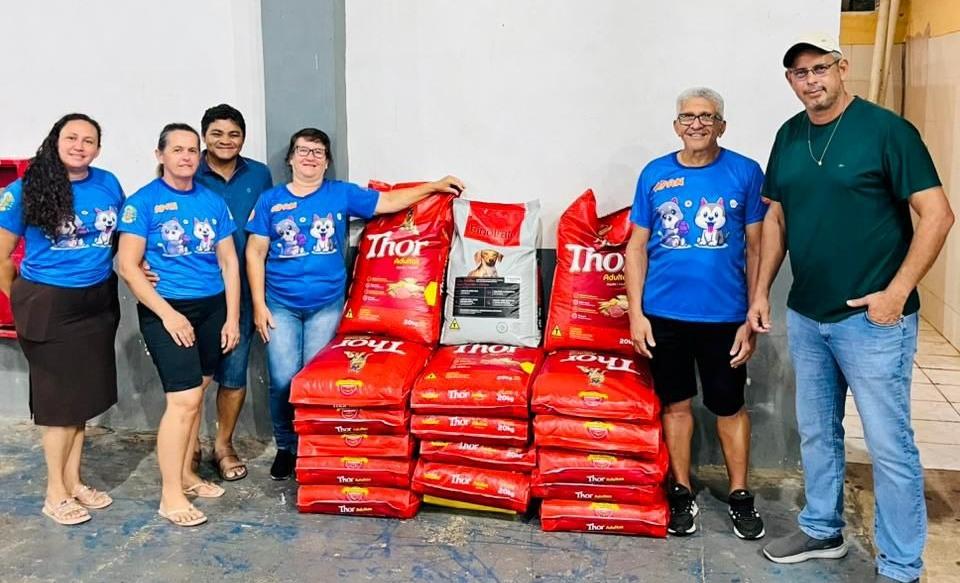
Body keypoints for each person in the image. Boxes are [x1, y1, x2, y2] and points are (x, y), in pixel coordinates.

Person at [748, 34, 954, 583]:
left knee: (889, 445)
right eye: (798, 74)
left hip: (873, 321)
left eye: (820, 69)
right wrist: (763, 290)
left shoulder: (888, 131)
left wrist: (895, 294)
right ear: (789, 82)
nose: (811, 80)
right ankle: (823, 528)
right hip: (809, 315)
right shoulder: (789, 136)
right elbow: (777, 217)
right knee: (816, 430)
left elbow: (937, 215)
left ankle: (901, 565)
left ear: (841, 70)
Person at [246, 127, 464, 480]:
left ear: (327, 161)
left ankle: (313, 448)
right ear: (290, 158)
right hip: (280, 305)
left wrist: (433, 186)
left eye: (318, 152)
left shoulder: (340, 194)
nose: (310, 157)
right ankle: (287, 447)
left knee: (315, 381)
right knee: (283, 379)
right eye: (303, 150)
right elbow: (255, 252)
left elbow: (388, 202)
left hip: (326, 305)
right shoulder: (270, 200)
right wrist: (258, 304)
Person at [625, 88, 766, 539]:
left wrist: (752, 312)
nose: (697, 124)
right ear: (676, 125)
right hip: (663, 315)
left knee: (729, 406)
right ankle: (681, 492)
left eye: (707, 117)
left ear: (722, 125)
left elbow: (760, 245)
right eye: (688, 117)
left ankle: (741, 495)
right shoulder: (655, 173)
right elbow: (636, 247)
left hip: (726, 317)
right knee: (676, 404)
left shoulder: (745, 172)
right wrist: (635, 314)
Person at [0, 113, 123, 525]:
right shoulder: (24, 191)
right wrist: (19, 296)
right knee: (57, 405)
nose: (79, 146)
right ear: (55, 141)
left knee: (81, 400)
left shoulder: (108, 183)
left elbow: (121, 238)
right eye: (71, 137)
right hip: (48, 303)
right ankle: (54, 493)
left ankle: (74, 481)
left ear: (98, 149)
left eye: (89, 140)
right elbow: (0, 256)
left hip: (97, 300)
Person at [117, 123, 241, 527]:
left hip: (212, 309)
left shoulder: (212, 201)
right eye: (178, 150)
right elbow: (128, 266)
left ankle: (187, 476)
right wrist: (168, 314)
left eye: (193, 150)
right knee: (184, 400)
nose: (186, 157)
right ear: (160, 155)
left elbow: (228, 262)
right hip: (166, 310)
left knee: (200, 391)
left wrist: (234, 316)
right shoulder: (143, 202)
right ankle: (169, 495)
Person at [144, 104, 273, 481]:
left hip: (241, 290)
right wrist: (141, 266)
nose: (225, 141)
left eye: (234, 134)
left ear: (243, 139)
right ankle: (191, 443)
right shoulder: (186, 171)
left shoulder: (259, 175)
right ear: (204, 139)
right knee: (193, 381)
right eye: (216, 134)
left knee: (233, 374)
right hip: (192, 292)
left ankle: (223, 444)